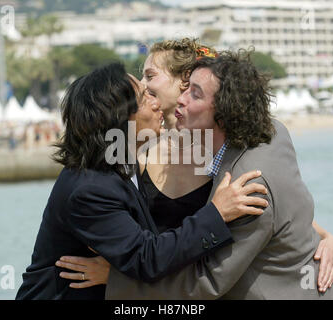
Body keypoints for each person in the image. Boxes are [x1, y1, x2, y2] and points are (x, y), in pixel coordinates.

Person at [56, 38, 333, 293]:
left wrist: (326, 237)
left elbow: (273, 210)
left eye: (150, 75)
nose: (144, 84)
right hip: (164, 284)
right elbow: (135, 240)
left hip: (195, 286)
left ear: (183, 81)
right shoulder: (138, 151)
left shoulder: (222, 152)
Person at [15, 62, 267, 300]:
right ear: (120, 119)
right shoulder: (90, 189)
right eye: (145, 98)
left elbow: (157, 237)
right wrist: (217, 213)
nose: (157, 103)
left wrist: (300, 225)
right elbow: (147, 259)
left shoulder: (123, 163)